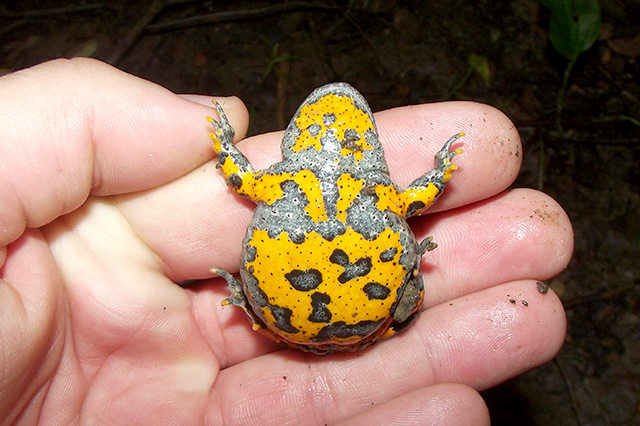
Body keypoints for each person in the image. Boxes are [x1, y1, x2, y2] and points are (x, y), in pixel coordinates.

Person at [0, 58, 572, 425]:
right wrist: (443, 166)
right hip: (364, 312)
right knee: (405, 289)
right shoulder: (384, 194)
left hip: (285, 312)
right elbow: (424, 192)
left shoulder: (283, 178)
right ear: (368, 148)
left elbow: (238, 175)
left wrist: (224, 140)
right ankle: (351, 300)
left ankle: (253, 302)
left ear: (297, 143)